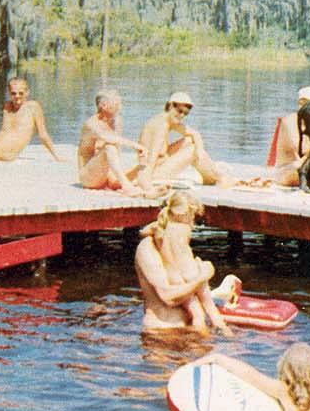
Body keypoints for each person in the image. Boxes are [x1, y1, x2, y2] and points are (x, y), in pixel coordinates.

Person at [133, 190, 231, 335]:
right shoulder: (146, 249)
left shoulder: (179, 246)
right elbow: (168, 297)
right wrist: (203, 276)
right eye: (192, 218)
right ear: (184, 215)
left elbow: (197, 291)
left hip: (189, 330)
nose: (192, 226)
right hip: (160, 332)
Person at [135, 91, 231, 196]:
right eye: (179, 111)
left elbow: (195, 134)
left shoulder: (167, 120)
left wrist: (200, 151)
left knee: (190, 141)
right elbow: (151, 159)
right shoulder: (161, 126)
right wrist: (146, 184)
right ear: (171, 106)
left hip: (159, 166)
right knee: (192, 150)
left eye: (185, 113)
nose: (182, 116)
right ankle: (217, 177)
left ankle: (212, 176)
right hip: (153, 173)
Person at [77, 90, 145, 194]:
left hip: (107, 175)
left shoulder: (117, 121)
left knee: (146, 162)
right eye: (117, 104)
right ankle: (126, 186)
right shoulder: (91, 124)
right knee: (109, 147)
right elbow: (107, 138)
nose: (120, 107)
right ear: (103, 106)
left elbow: (117, 151)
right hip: (88, 177)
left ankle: (146, 187)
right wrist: (134, 145)